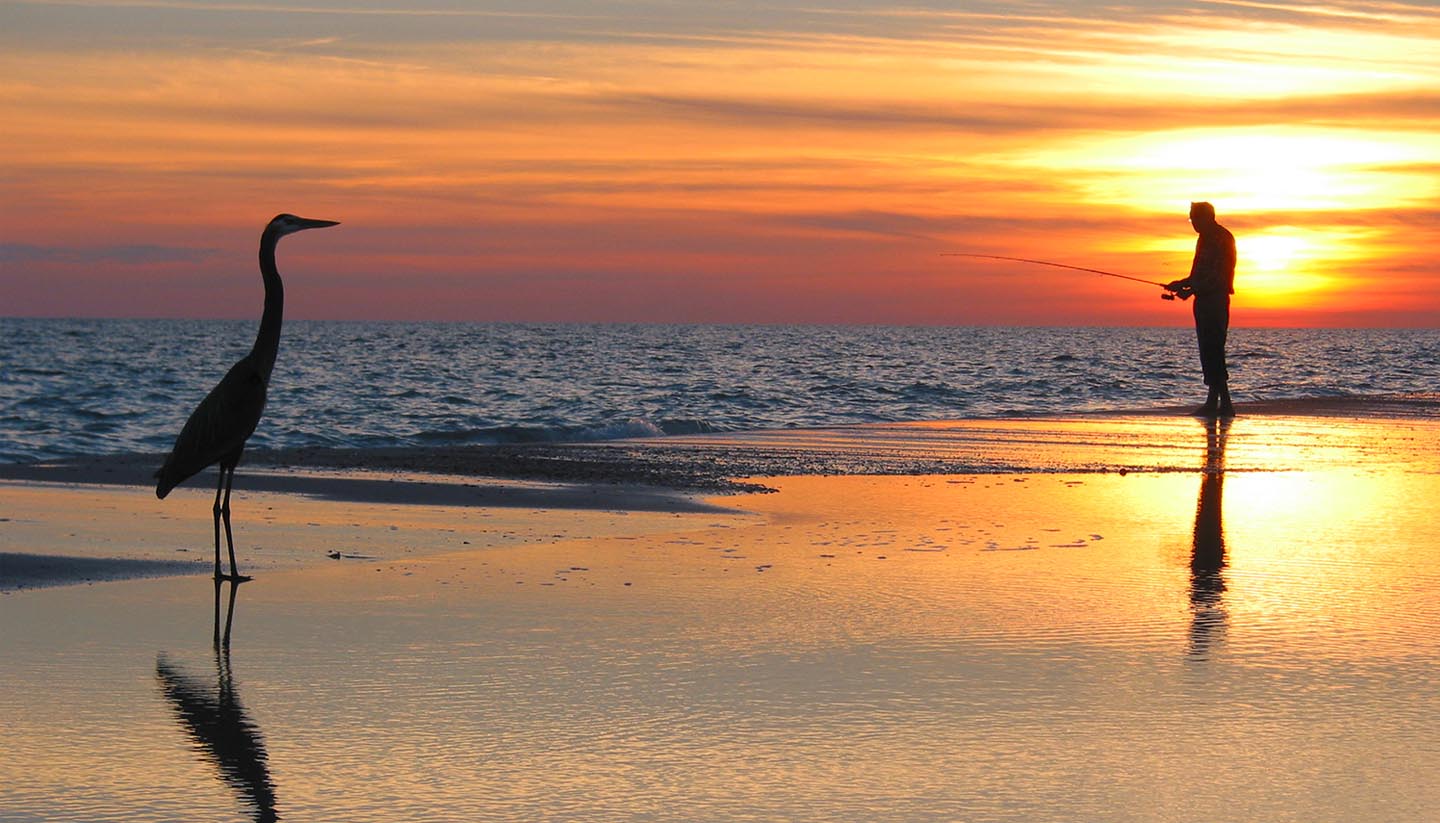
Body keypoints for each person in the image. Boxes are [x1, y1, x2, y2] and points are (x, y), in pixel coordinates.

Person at [1166, 201, 1236, 417]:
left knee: (1213, 348)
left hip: (1215, 300)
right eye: (1191, 219)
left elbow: (1217, 275)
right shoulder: (1204, 238)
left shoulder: (1221, 238)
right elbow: (1198, 274)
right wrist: (1182, 284)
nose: (1193, 223)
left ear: (1207, 217)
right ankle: (1214, 402)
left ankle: (1225, 404)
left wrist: (1191, 290)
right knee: (1208, 350)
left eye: (1194, 218)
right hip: (1204, 300)